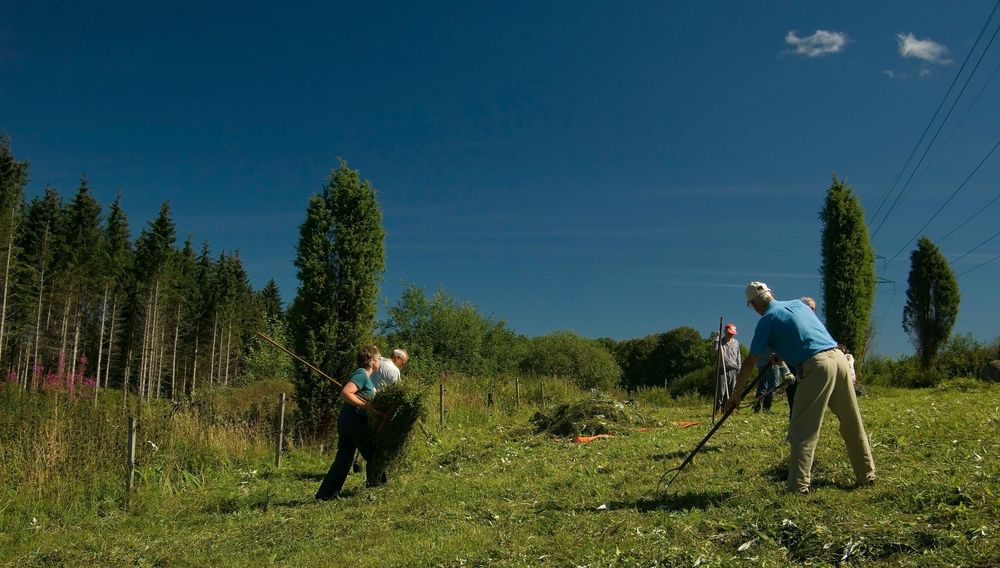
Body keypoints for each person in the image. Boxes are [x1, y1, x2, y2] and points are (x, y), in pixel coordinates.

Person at [724, 281, 876, 494]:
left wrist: (736, 394)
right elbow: (806, 335)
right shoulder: (799, 304)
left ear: (754, 306)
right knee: (851, 420)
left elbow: (750, 362)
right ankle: (867, 475)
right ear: (771, 294)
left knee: (803, 429)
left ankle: (798, 487)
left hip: (817, 367)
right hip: (839, 359)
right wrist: (785, 353)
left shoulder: (767, 320)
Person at [315, 345, 387, 501]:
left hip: (347, 421)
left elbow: (361, 394)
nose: (381, 360)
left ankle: (326, 494)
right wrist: (366, 405)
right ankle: (377, 487)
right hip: (355, 421)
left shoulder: (365, 377)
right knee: (375, 452)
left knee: (344, 458)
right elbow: (346, 393)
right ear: (372, 360)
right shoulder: (361, 374)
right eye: (379, 358)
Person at [716, 323, 741, 412]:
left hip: (734, 369)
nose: (731, 335)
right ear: (725, 332)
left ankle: (729, 408)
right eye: (729, 333)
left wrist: (739, 368)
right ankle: (718, 409)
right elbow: (716, 350)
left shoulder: (736, 343)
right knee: (721, 390)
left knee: (732, 390)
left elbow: (738, 356)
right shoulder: (720, 342)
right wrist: (717, 340)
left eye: (732, 333)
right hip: (723, 368)